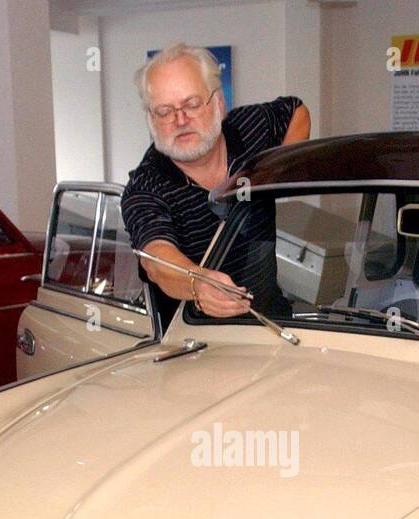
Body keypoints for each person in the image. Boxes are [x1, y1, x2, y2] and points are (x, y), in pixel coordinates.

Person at [120, 43, 310, 322]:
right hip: (194, 344)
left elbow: (297, 111)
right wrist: (198, 283)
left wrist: (277, 175)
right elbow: (156, 260)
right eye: (164, 111)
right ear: (151, 119)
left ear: (219, 103)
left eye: (192, 104)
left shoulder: (250, 128)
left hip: (273, 324)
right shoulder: (146, 186)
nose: (180, 119)